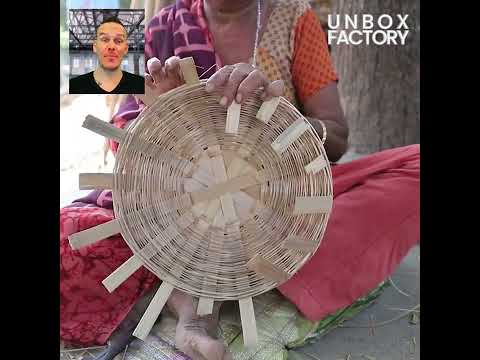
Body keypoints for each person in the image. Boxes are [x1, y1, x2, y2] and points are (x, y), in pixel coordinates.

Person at [60, 0, 420, 359]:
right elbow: (122, 146)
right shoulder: (163, 26)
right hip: (175, 205)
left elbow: (338, 138)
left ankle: (207, 283)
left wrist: (277, 117)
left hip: (281, 204)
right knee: (71, 234)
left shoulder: (294, 19)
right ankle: (201, 289)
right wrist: (165, 112)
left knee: (414, 168)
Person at [69, 17, 145, 94]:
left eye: (118, 41)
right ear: (95, 47)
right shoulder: (73, 86)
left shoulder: (141, 85)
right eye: (105, 40)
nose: (111, 47)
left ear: (125, 49)